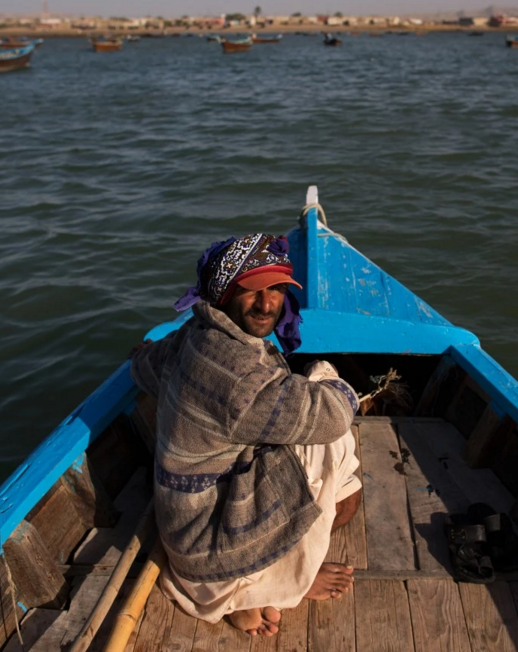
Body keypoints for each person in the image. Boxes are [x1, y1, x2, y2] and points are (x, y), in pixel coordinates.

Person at [129, 233, 363, 637]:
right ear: (225, 294)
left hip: (183, 524)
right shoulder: (239, 375)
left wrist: (138, 352)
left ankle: (258, 581)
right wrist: (333, 380)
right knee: (333, 441)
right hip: (208, 549)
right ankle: (260, 586)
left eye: (277, 289)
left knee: (294, 423)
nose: (268, 303)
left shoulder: (193, 334)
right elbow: (332, 417)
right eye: (253, 291)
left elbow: (142, 367)